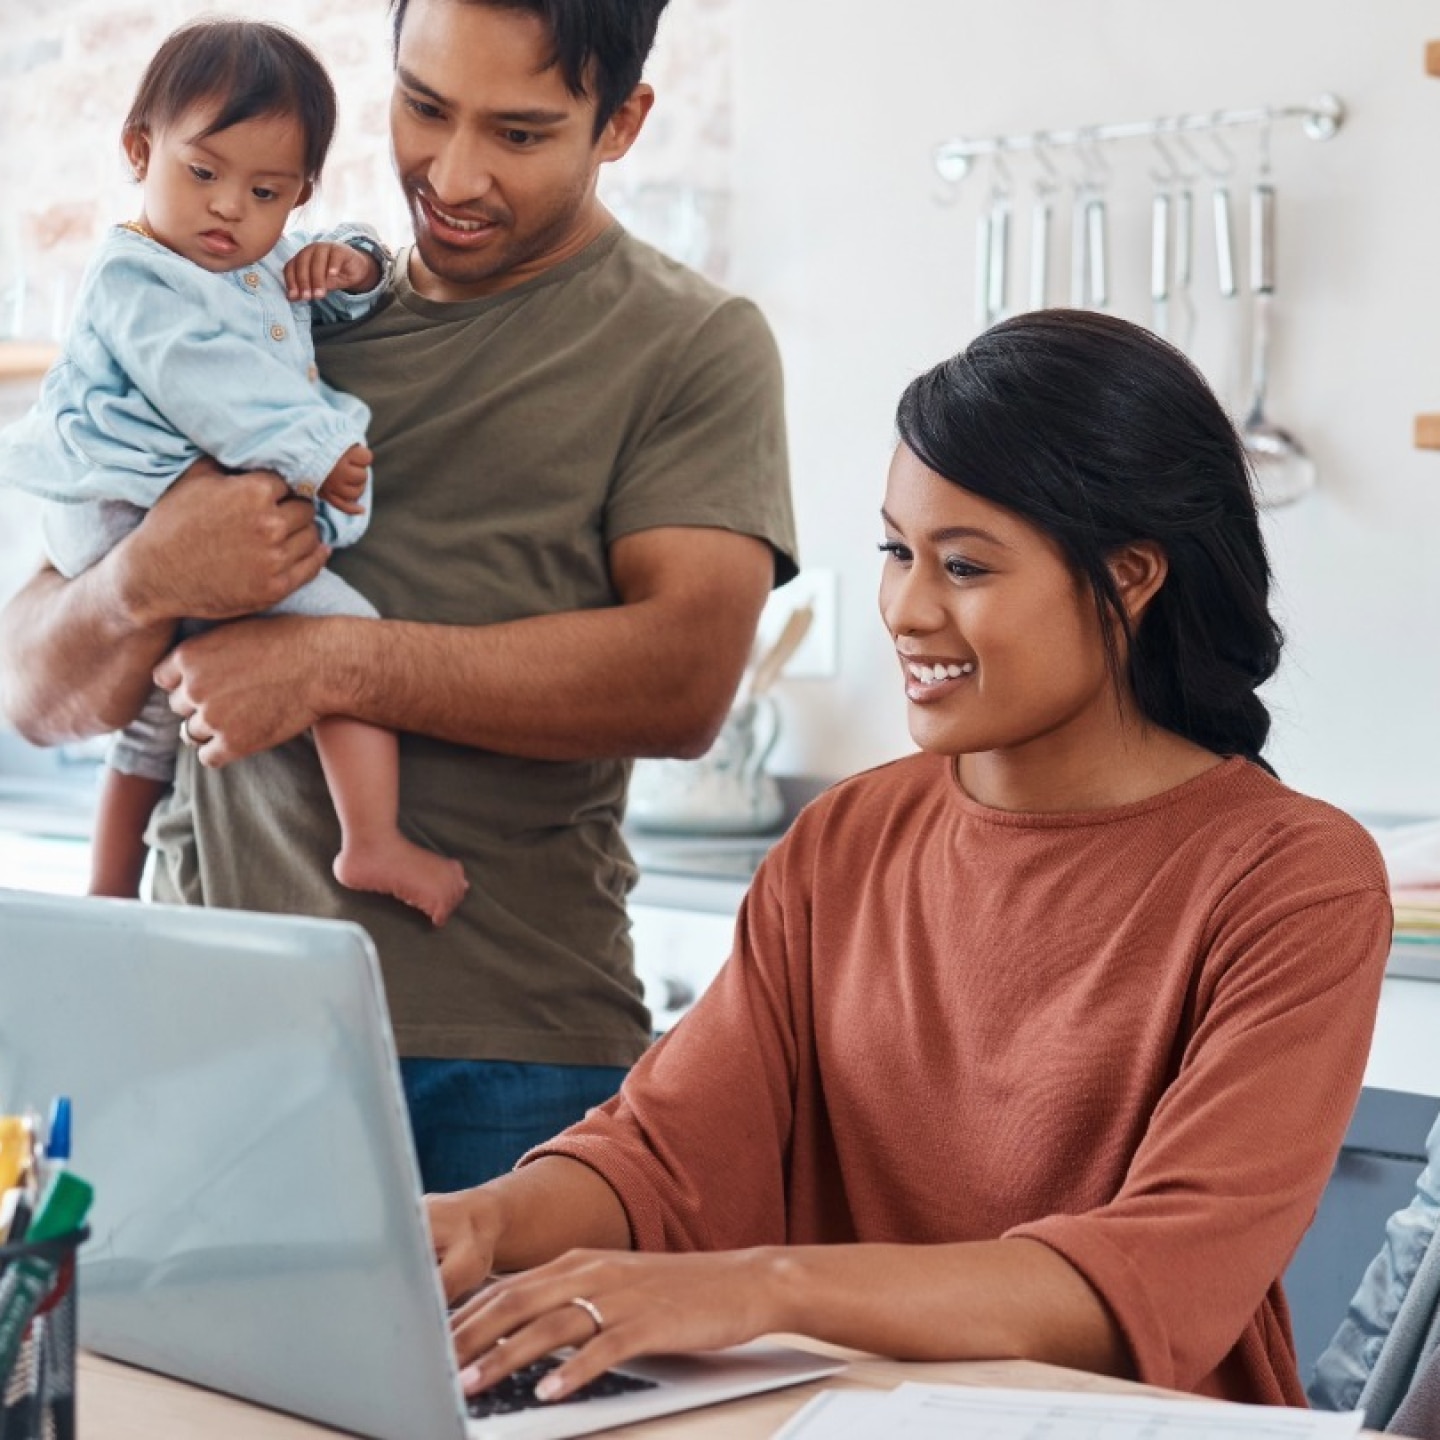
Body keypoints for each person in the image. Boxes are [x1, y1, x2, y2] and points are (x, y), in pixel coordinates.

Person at [422, 310, 1392, 1410]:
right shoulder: (847, 839)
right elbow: (668, 1148)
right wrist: (478, 1220)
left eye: (966, 566)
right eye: (897, 551)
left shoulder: (1294, 880)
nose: (907, 609)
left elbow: (1163, 1276)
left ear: (1129, 577)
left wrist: (763, 1289)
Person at [0, 0, 796, 1191]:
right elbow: (36, 688)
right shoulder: (256, 305)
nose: (454, 173)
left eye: (520, 134)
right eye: (425, 108)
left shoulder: (690, 344)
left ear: (620, 122)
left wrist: (336, 666)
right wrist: (146, 579)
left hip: (514, 1054)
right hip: (208, 1031)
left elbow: (684, 680)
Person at [0, 18, 468, 927]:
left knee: (149, 705)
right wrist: (316, 449)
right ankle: (372, 837)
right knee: (347, 627)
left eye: (264, 191)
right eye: (202, 173)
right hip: (116, 503)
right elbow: (203, 382)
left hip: (140, 505)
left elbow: (342, 281)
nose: (227, 209)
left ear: (295, 199)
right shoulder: (139, 274)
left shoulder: (256, 263)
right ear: (141, 150)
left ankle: (106, 893)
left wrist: (356, 263)